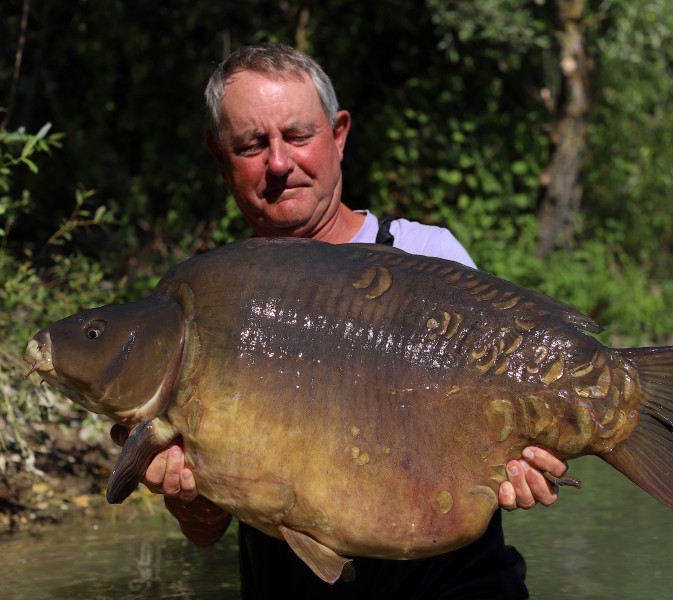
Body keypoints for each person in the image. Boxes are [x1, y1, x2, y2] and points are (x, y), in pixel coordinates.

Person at [113, 43, 568, 598]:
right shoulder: (206, 303)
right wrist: (189, 500)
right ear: (218, 154)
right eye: (252, 144)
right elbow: (207, 531)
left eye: (297, 136)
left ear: (339, 134)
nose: (278, 163)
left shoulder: (426, 254)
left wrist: (525, 465)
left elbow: (513, 413)